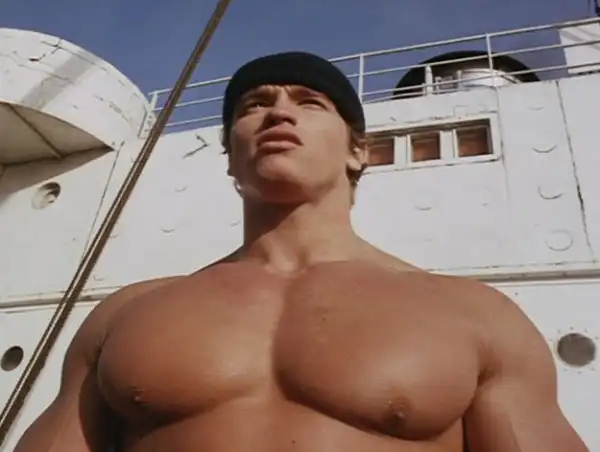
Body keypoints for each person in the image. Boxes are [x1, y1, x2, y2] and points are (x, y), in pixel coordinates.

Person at [14, 52, 588, 452]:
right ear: (230, 156)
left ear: (358, 151)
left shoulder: (475, 316)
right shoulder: (126, 315)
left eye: (310, 102)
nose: (278, 113)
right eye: (253, 105)